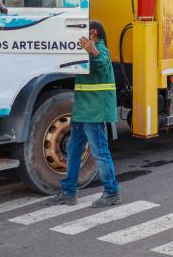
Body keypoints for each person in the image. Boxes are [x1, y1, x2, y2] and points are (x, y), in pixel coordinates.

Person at [47, 20, 121, 207]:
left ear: (93, 33)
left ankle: (112, 192)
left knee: (100, 153)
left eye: (84, 31)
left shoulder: (101, 49)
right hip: (82, 111)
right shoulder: (84, 51)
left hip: (94, 112)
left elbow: (103, 63)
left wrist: (93, 51)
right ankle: (69, 191)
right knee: (73, 151)